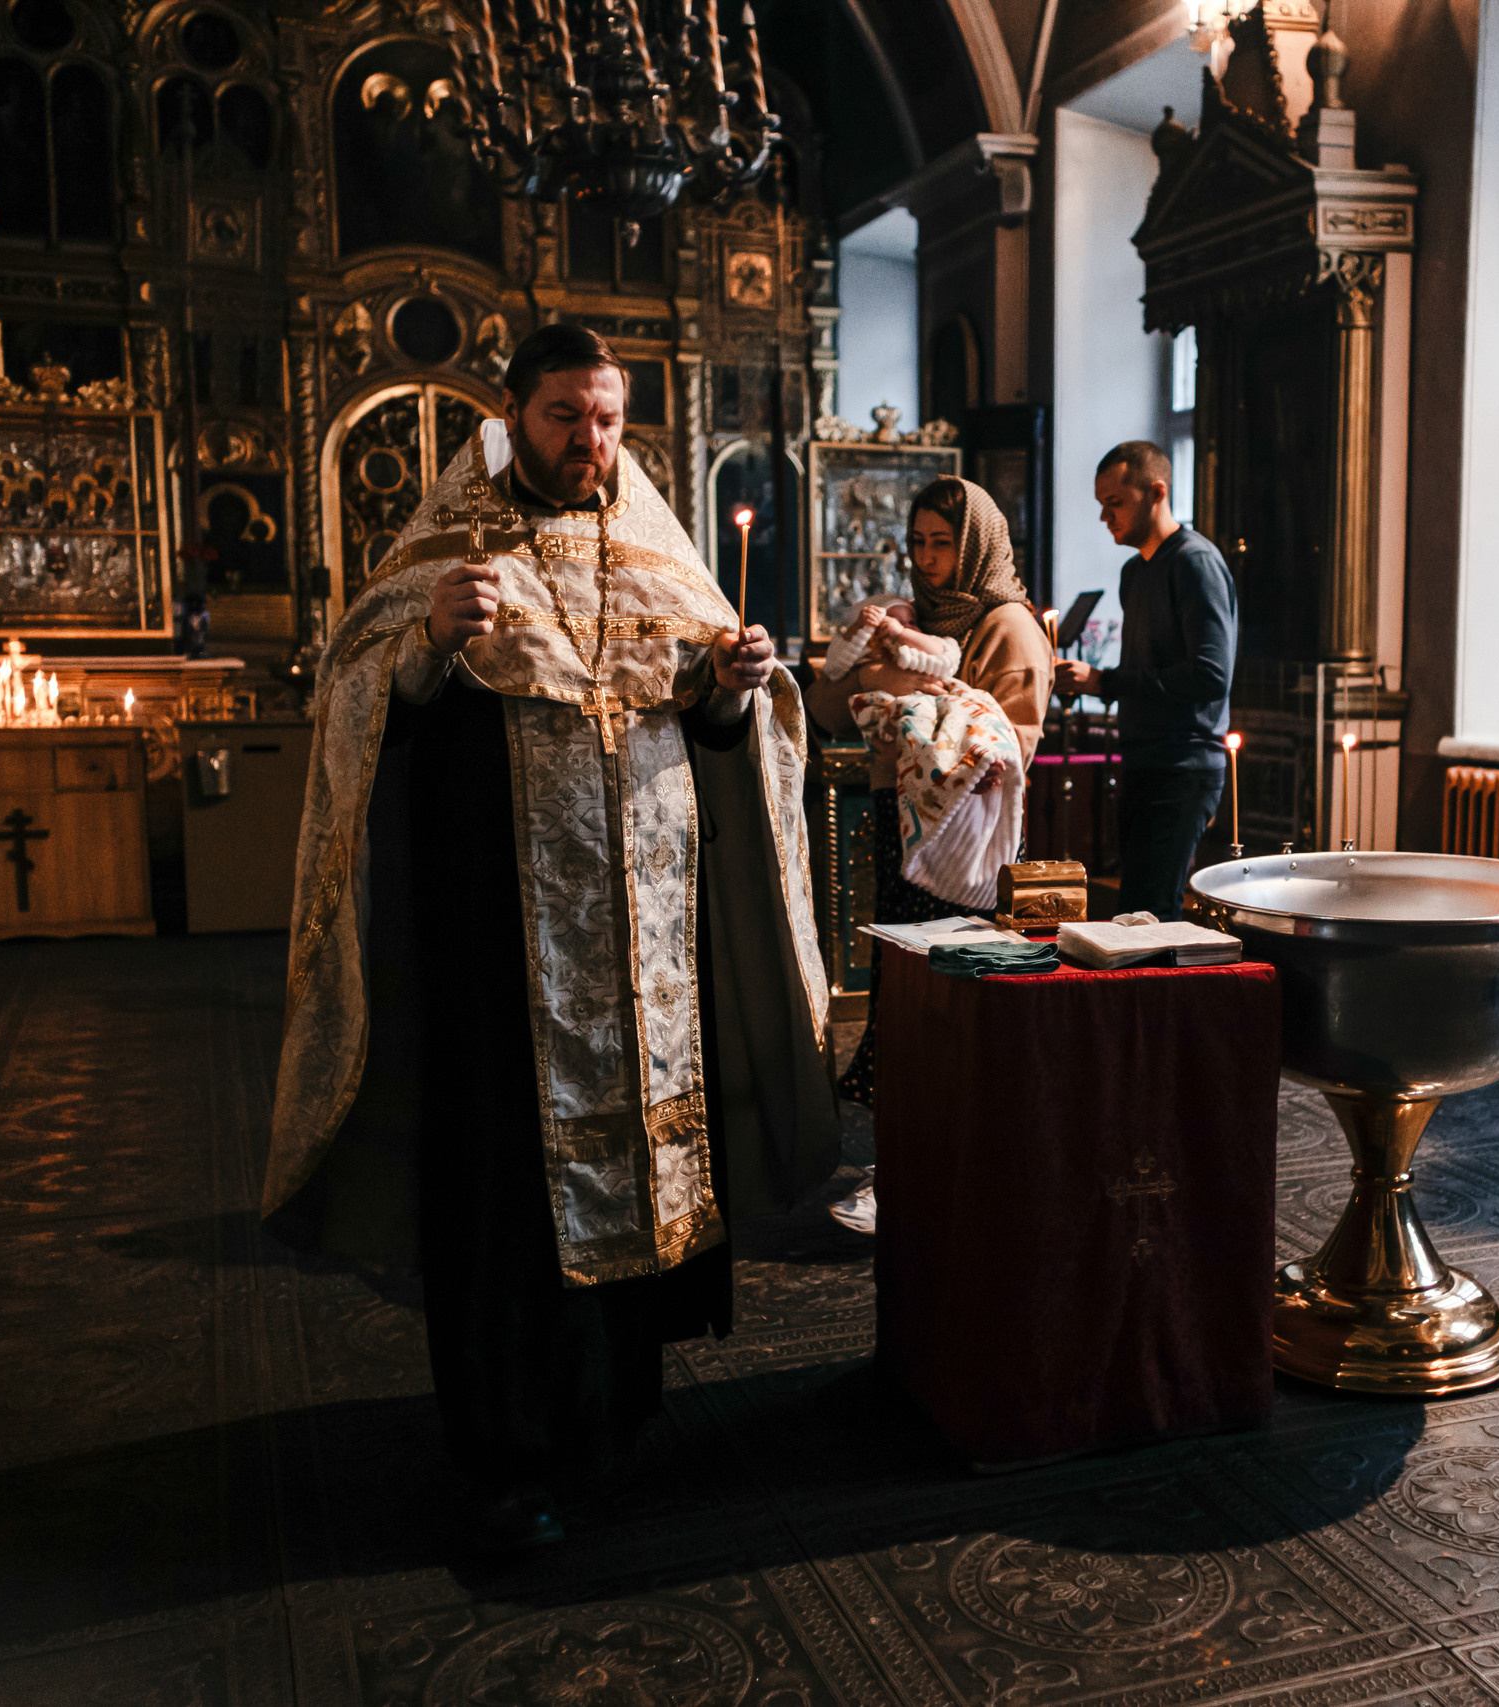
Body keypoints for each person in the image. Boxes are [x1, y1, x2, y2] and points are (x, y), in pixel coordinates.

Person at [263, 323, 840, 1550]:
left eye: (610, 419)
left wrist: (737, 681)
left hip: (650, 959)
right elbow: (359, 700)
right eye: (566, 418)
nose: (592, 443)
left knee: (637, 1176)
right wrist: (423, 642)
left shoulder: (658, 543)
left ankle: (611, 1423)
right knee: (507, 1204)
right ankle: (505, 1451)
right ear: (511, 417)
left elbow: (716, 726)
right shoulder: (443, 544)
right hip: (499, 957)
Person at [808, 478, 1050, 1228]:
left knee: (955, 1002)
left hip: (964, 837)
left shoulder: (1009, 624)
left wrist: (891, 684)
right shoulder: (909, 618)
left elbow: (1007, 742)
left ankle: (954, 1168)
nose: (927, 557)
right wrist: (870, 660)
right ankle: (908, 1163)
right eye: (916, 542)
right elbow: (826, 704)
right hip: (901, 821)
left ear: (975, 543)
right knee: (903, 995)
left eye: (942, 542)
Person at [1056, 441, 1237, 922]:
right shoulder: (1134, 573)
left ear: (1156, 492)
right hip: (1141, 759)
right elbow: (1146, 667)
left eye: (1114, 503)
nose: (1104, 518)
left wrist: (1107, 683)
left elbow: (1210, 675)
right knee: (1132, 911)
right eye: (1101, 506)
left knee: (1152, 915)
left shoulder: (1195, 563)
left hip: (1183, 764)